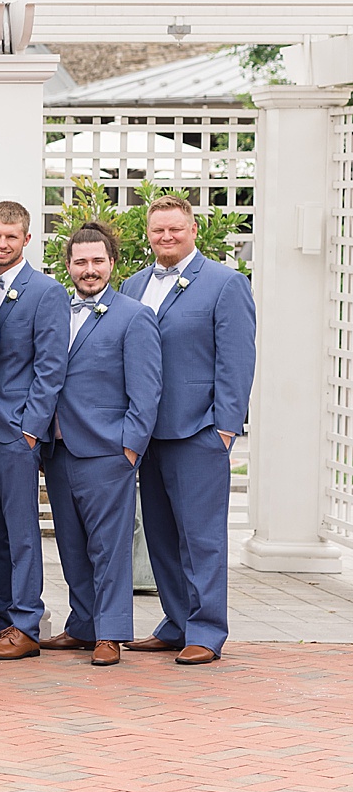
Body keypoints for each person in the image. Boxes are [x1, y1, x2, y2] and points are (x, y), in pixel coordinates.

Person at [121, 195, 256, 665]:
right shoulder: (134, 285)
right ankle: (176, 622)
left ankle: (206, 630)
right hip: (146, 433)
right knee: (160, 535)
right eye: (158, 230)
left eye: (175, 229)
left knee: (201, 537)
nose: (166, 237)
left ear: (193, 229)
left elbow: (237, 360)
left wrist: (224, 428)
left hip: (199, 430)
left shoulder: (225, 283)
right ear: (149, 233)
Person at [42, 220, 162, 667]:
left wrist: (130, 448)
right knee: (71, 544)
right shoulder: (54, 311)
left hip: (108, 451)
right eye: (80, 262)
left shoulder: (134, 316)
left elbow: (146, 390)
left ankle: (111, 632)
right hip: (57, 450)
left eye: (97, 261)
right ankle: (83, 624)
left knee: (108, 547)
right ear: (68, 265)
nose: (88, 270)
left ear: (112, 263)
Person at [0, 202, 68, 661]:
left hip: (15, 429)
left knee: (21, 529)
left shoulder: (45, 292)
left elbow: (51, 368)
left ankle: (27, 621)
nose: (2, 244)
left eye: (11, 237)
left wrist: (31, 429)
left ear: (27, 240)